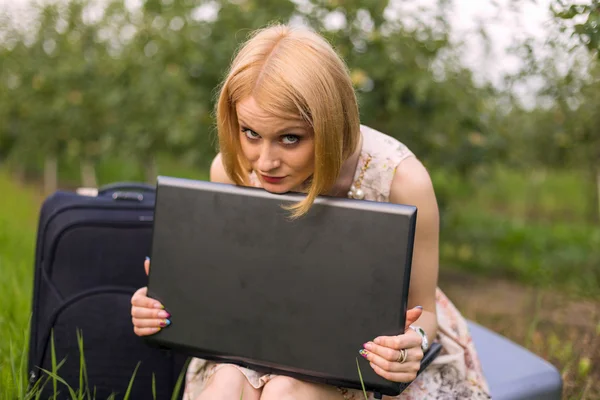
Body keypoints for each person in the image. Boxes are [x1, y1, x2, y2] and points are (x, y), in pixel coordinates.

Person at [130, 24, 491, 399]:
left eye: (290, 138)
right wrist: (168, 301)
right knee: (226, 385)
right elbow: (231, 285)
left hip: (362, 351)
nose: (265, 162)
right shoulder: (231, 168)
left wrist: (409, 343)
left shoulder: (401, 180)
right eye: (250, 132)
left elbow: (423, 313)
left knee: (286, 392)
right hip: (260, 335)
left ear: (332, 123)